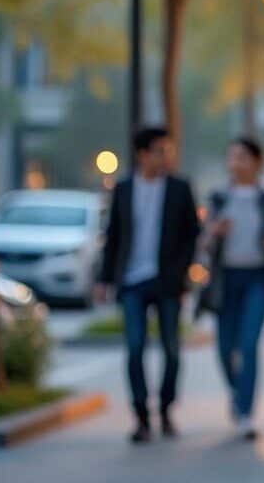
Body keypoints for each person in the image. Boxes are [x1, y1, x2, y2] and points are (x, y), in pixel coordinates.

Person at [96, 127, 201, 444]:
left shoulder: (181, 188)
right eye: (159, 150)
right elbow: (113, 236)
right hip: (132, 281)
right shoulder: (124, 188)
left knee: (171, 349)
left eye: (168, 150)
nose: (165, 156)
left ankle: (166, 409)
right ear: (142, 154)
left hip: (167, 282)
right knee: (135, 347)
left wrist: (181, 273)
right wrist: (104, 278)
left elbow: (191, 235)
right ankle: (141, 416)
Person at [197, 137, 264, 441]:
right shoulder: (219, 198)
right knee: (224, 348)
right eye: (232, 157)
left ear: (256, 162)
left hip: (258, 278)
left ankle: (246, 412)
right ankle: (238, 393)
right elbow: (204, 243)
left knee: (248, 345)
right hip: (225, 280)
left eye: (243, 157)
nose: (236, 163)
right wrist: (214, 232)